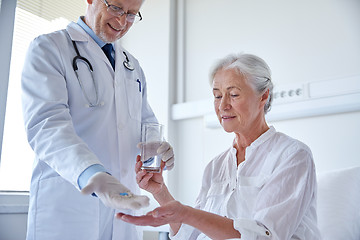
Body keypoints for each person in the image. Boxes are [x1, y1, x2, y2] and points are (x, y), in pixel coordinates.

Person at [117, 53, 321, 239]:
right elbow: (190, 234)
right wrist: (160, 192)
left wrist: (187, 212)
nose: (223, 105)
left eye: (233, 94)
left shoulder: (292, 156)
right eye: (217, 95)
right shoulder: (216, 166)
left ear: (264, 96)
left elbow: (264, 235)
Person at [21, 0, 174, 239]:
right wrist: (92, 174)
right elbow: (47, 126)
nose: (122, 22)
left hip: (123, 211)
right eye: (116, 8)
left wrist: (157, 146)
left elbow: (144, 123)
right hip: (69, 208)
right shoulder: (50, 48)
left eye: (133, 14)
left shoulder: (132, 66)